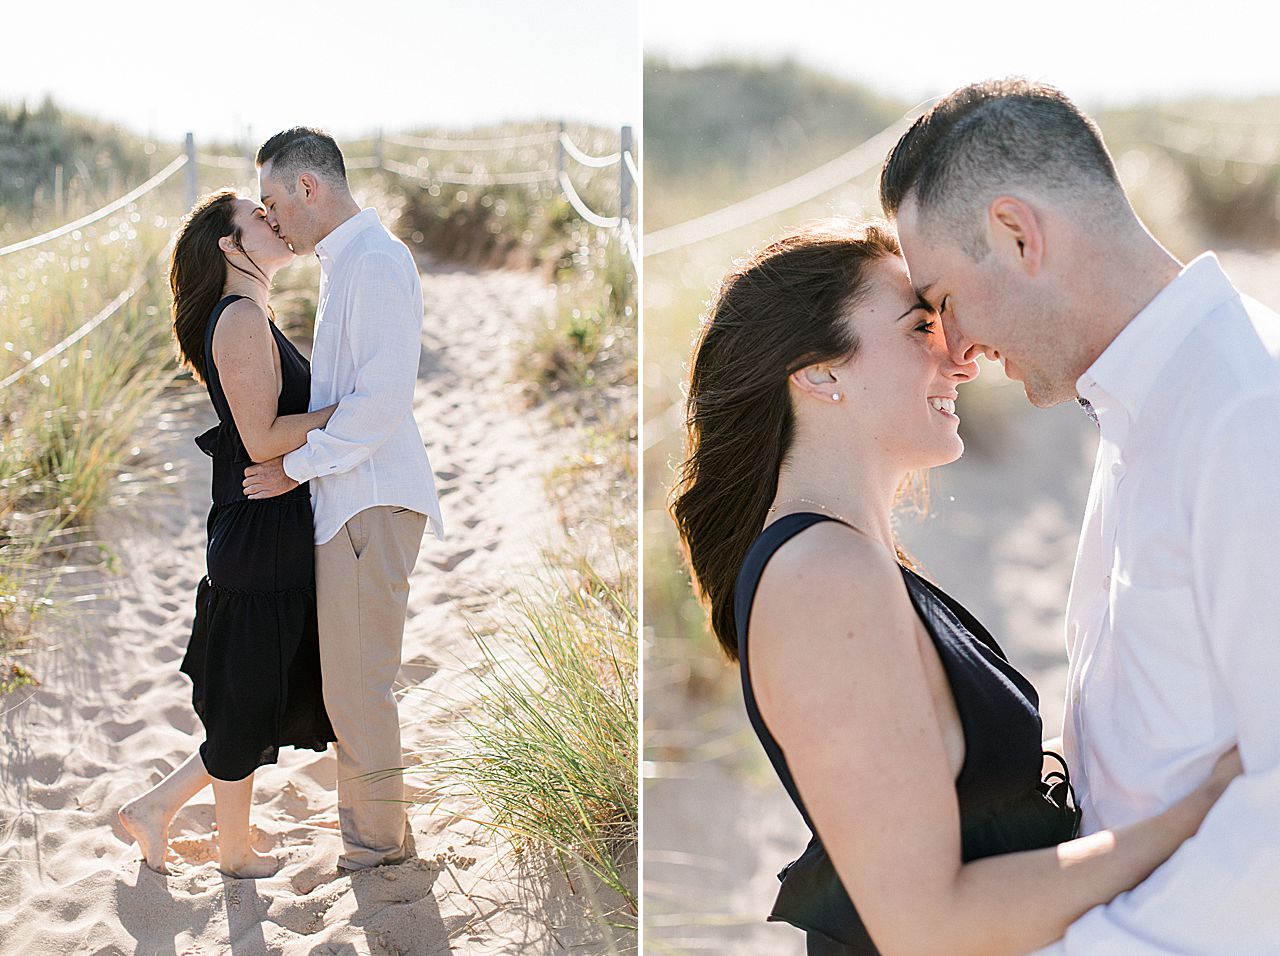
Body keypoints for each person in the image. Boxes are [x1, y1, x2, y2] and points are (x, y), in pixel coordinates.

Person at [669, 220, 1241, 955]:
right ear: (820, 373)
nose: (961, 360)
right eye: (920, 327)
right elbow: (926, 925)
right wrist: (1187, 820)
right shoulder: (822, 580)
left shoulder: (852, 560)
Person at [879, 78, 1280, 954]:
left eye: (944, 300)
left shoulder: (1249, 414)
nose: (956, 350)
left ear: (1018, 235)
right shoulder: (1147, 397)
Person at [119, 189, 338, 878]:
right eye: (257, 216)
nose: (273, 220)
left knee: (253, 694)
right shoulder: (240, 318)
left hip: (266, 523)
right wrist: (356, 408)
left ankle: (159, 809)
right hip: (258, 532)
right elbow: (262, 438)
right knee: (247, 699)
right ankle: (232, 853)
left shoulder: (250, 313)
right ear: (228, 244)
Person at [241, 127, 444, 871]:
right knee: (352, 684)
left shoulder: (376, 263)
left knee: (359, 688)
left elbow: (381, 400)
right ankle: (383, 836)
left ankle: (375, 851)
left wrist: (296, 465)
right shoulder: (346, 262)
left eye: (273, 201)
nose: (271, 220)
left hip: (371, 499)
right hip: (354, 498)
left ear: (308, 187)